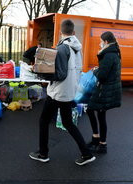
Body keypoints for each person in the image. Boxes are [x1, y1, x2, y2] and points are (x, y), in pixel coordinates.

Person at [29, 20, 96, 166]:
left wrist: (42, 74)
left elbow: (59, 74)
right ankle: (86, 153)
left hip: (58, 92)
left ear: (60, 32)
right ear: (73, 32)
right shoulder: (77, 48)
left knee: (44, 121)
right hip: (69, 90)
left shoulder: (62, 48)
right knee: (68, 123)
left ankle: (43, 153)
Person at [86, 31, 122, 154]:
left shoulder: (108, 55)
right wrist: (100, 69)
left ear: (106, 42)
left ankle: (101, 143)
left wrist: (96, 71)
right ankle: (99, 141)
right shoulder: (114, 52)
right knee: (100, 115)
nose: (100, 44)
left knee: (91, 110)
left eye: (101, 41)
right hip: (108, 89)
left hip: (104, 90)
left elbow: (102, 76)